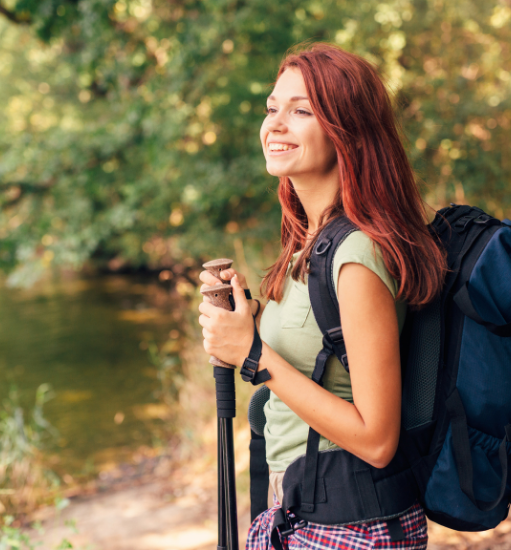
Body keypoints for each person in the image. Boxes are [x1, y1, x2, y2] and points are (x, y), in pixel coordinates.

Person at [197, 43, 447, 550]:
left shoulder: (357, 256)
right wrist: (241, 329)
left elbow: (378, 441)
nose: (276, 124)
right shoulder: (308, 244)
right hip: (302, 512)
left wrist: (253, 353)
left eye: (301, 111)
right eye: (273, 108)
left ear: (347, 133)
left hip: (350, 527)